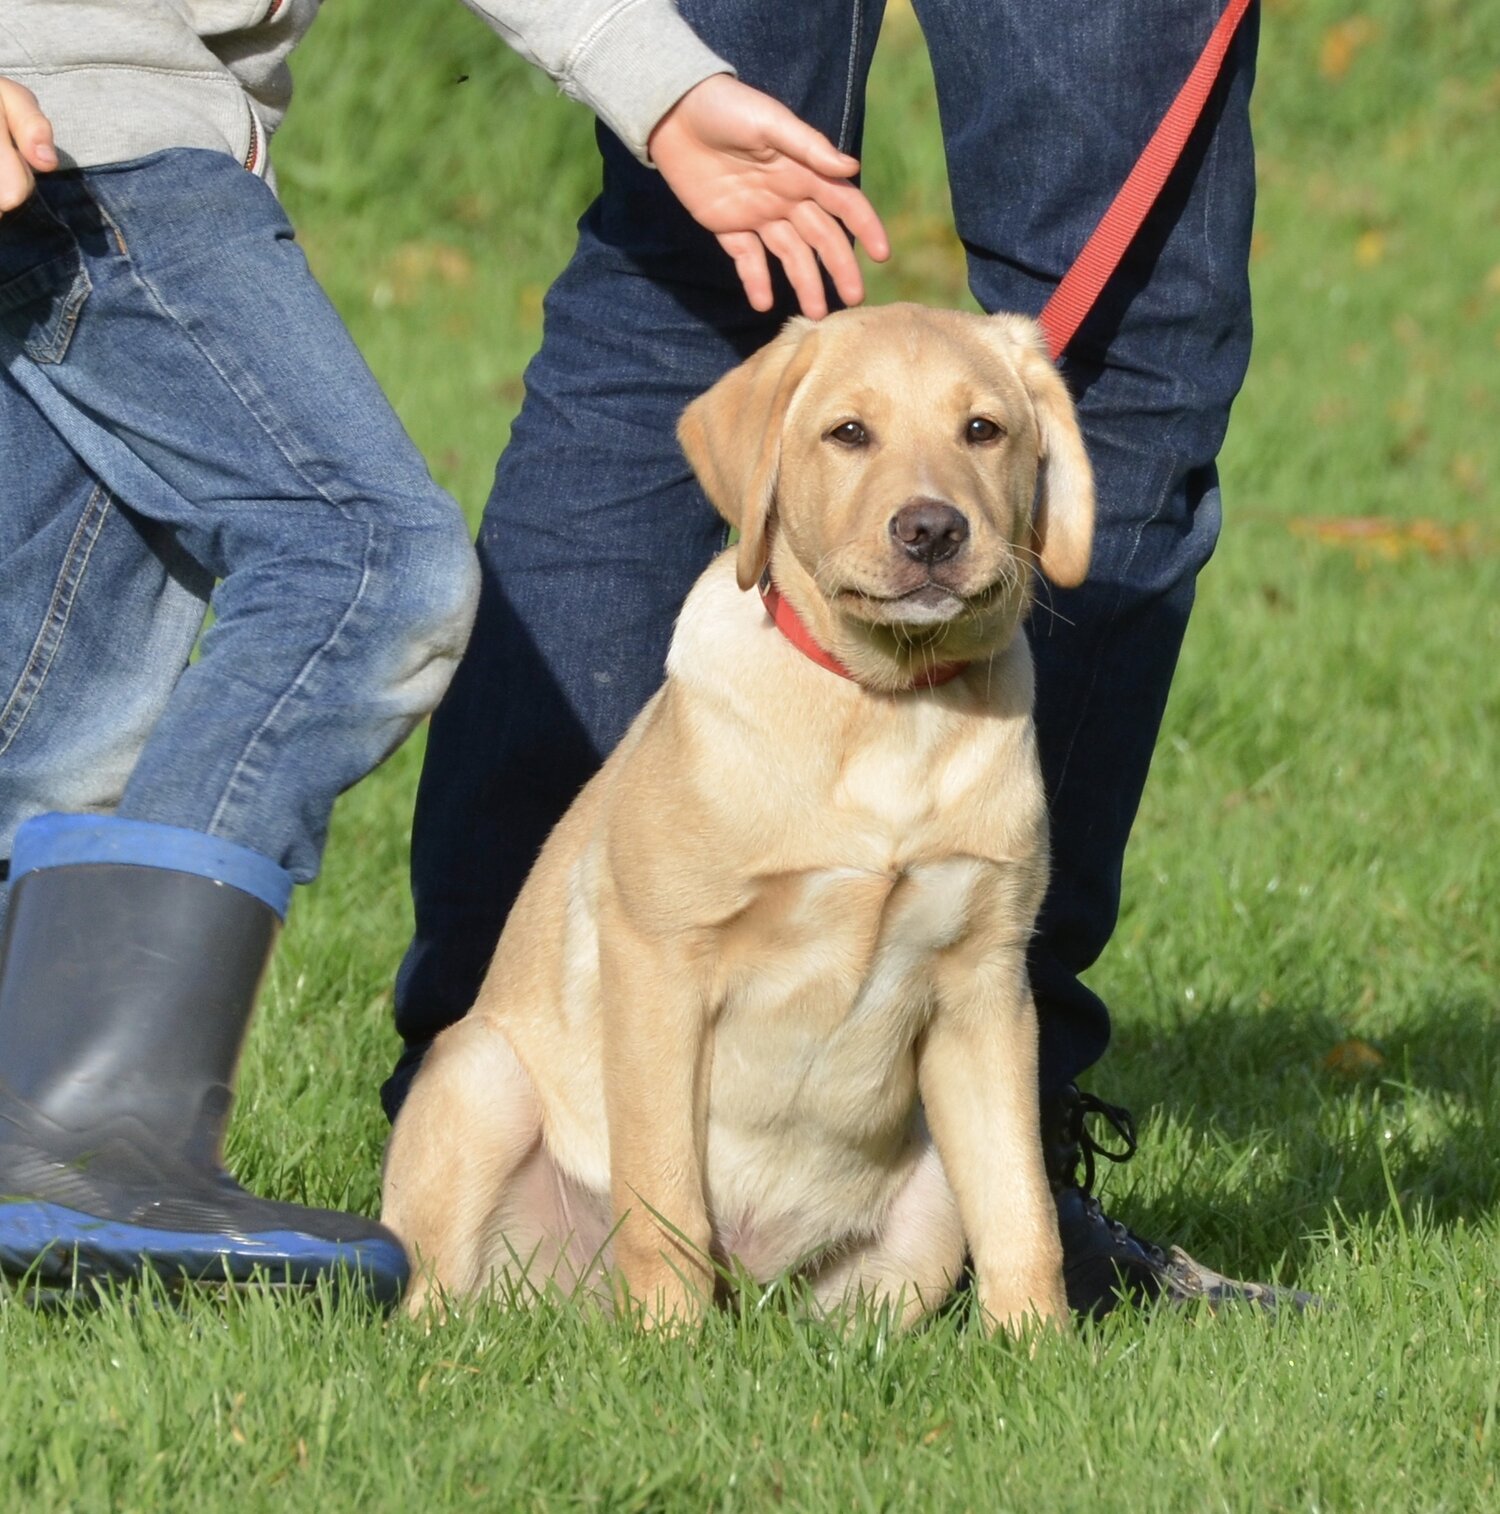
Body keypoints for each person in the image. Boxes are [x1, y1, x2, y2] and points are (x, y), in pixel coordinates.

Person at [389, 0, 1313, 1317]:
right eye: (855, 441)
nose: (924, 502)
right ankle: (482, 1097)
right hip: (579, 1150)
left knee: (701, 256)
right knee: (1086, 309)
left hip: (864, 1165)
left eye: (983, 435)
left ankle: (1016, 1226)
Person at [0, 2, 885, 1302]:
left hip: (106, 125)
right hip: (90, 131)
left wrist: (658, 87)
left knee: (66, 681)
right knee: (362, 562)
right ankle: (85, 1122)